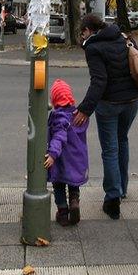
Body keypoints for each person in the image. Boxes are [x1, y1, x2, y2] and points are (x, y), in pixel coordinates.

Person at [73, 13, 138, 220]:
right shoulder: (121, 36)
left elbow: (99, 81)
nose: (82, 37)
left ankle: (112, 200)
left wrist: (84, 109)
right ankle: (122, 188)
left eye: (81, 33)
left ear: (87, 30)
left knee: (110, 149)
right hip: (132, 100)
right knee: (122, 141)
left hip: (109, 103)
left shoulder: (93, 48)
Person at [45, 79, 88, 227]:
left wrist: (52, 154)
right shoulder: (77, 115)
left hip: (62, 158)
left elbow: (59, 137)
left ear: (55, 99)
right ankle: (74, 201)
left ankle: (63, 213)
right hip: (77, 157)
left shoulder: (60, 117)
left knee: (59, 185)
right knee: (73, 183)